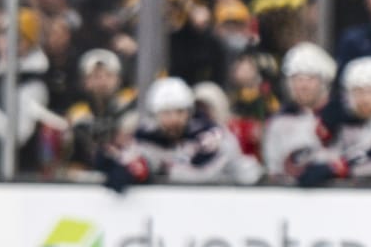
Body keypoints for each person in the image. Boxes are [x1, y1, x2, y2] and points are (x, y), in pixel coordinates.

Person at [99, 75, 263, 191]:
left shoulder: (210, 134)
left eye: (179, 112)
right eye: (167, 113)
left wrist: (153, 170)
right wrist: (117, 164)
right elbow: (130, 157)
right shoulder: (146, 137)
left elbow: (201, 175)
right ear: (155, 116)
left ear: (189, 113)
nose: (174, 119)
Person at [295, 56, 371, 187]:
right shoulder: (338, 117)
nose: (365, 99)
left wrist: (336, 168)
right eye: (358, 91)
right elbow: (308, 157)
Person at [261, 42, 336, 183]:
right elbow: (274, 170)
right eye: (297, 79)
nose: (303, 86)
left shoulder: (340, 117)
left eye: (310, 79)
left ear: (324, 81)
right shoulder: (279, 122)